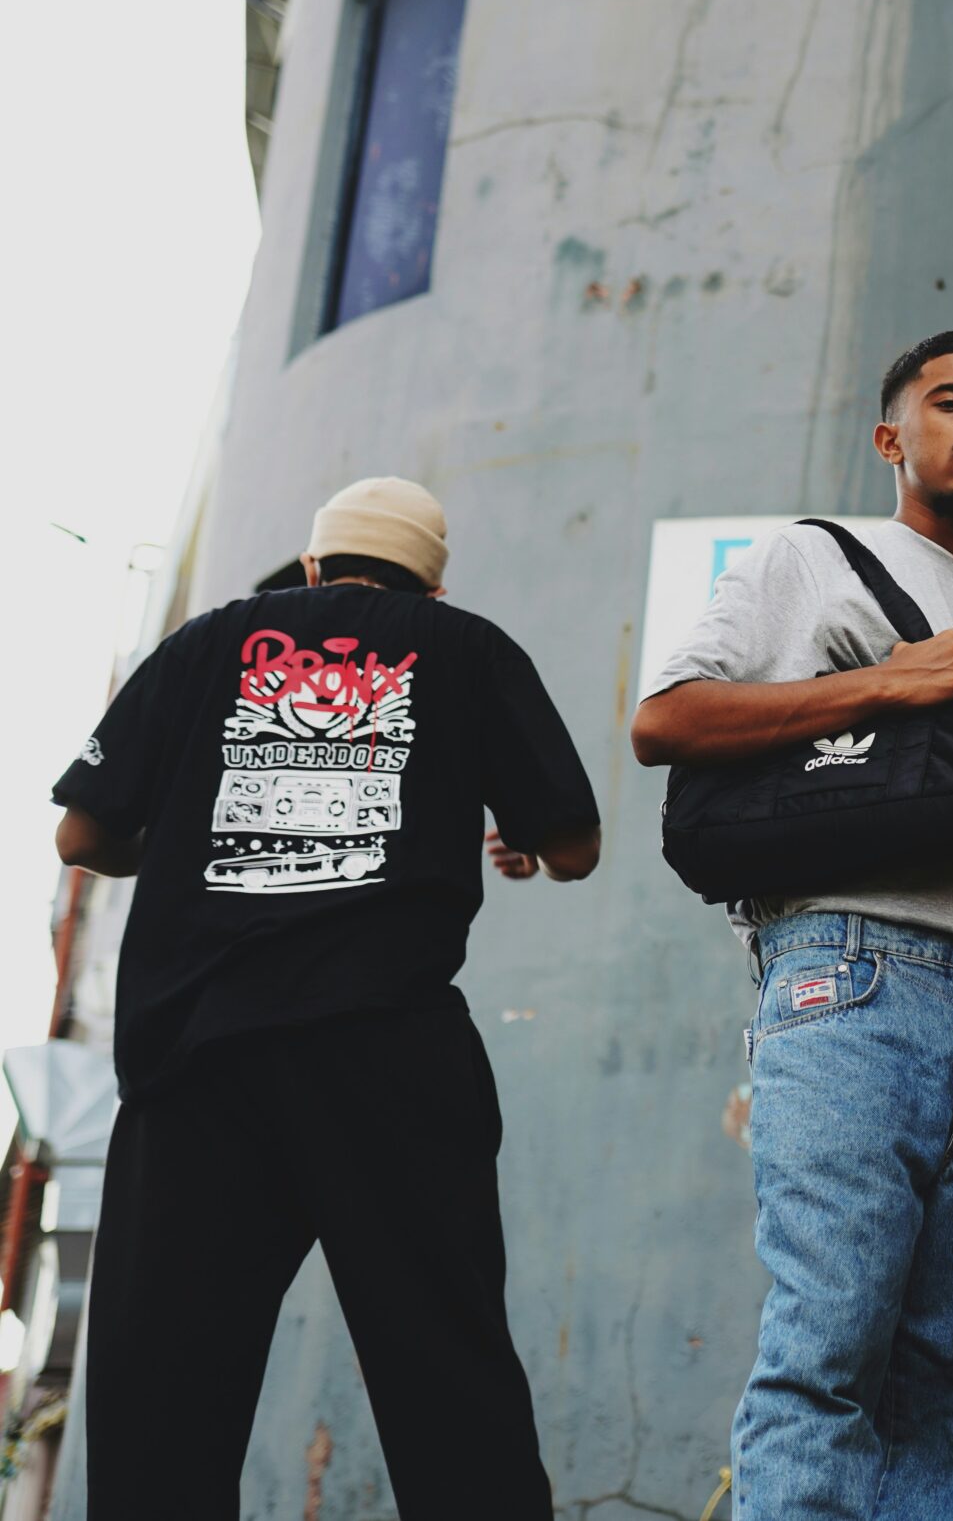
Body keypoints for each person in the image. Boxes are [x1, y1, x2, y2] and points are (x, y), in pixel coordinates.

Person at [630, 329, 953, 1521]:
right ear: (889, 436)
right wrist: (884, 684)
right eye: (948, 400)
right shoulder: (811, 559)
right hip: (850, 978)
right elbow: (666, 720)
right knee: (828, 1351)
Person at [51, 476, 601, 1521]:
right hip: (388, 1049)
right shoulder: (468, 646)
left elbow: (82, 834)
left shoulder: (207, 642)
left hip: (198, 1061)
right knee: (449, 1375)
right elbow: (572, 842)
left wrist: (189, 843)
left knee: (161, 1395)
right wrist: (517, 839)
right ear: (432, 586)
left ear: (310, 565)